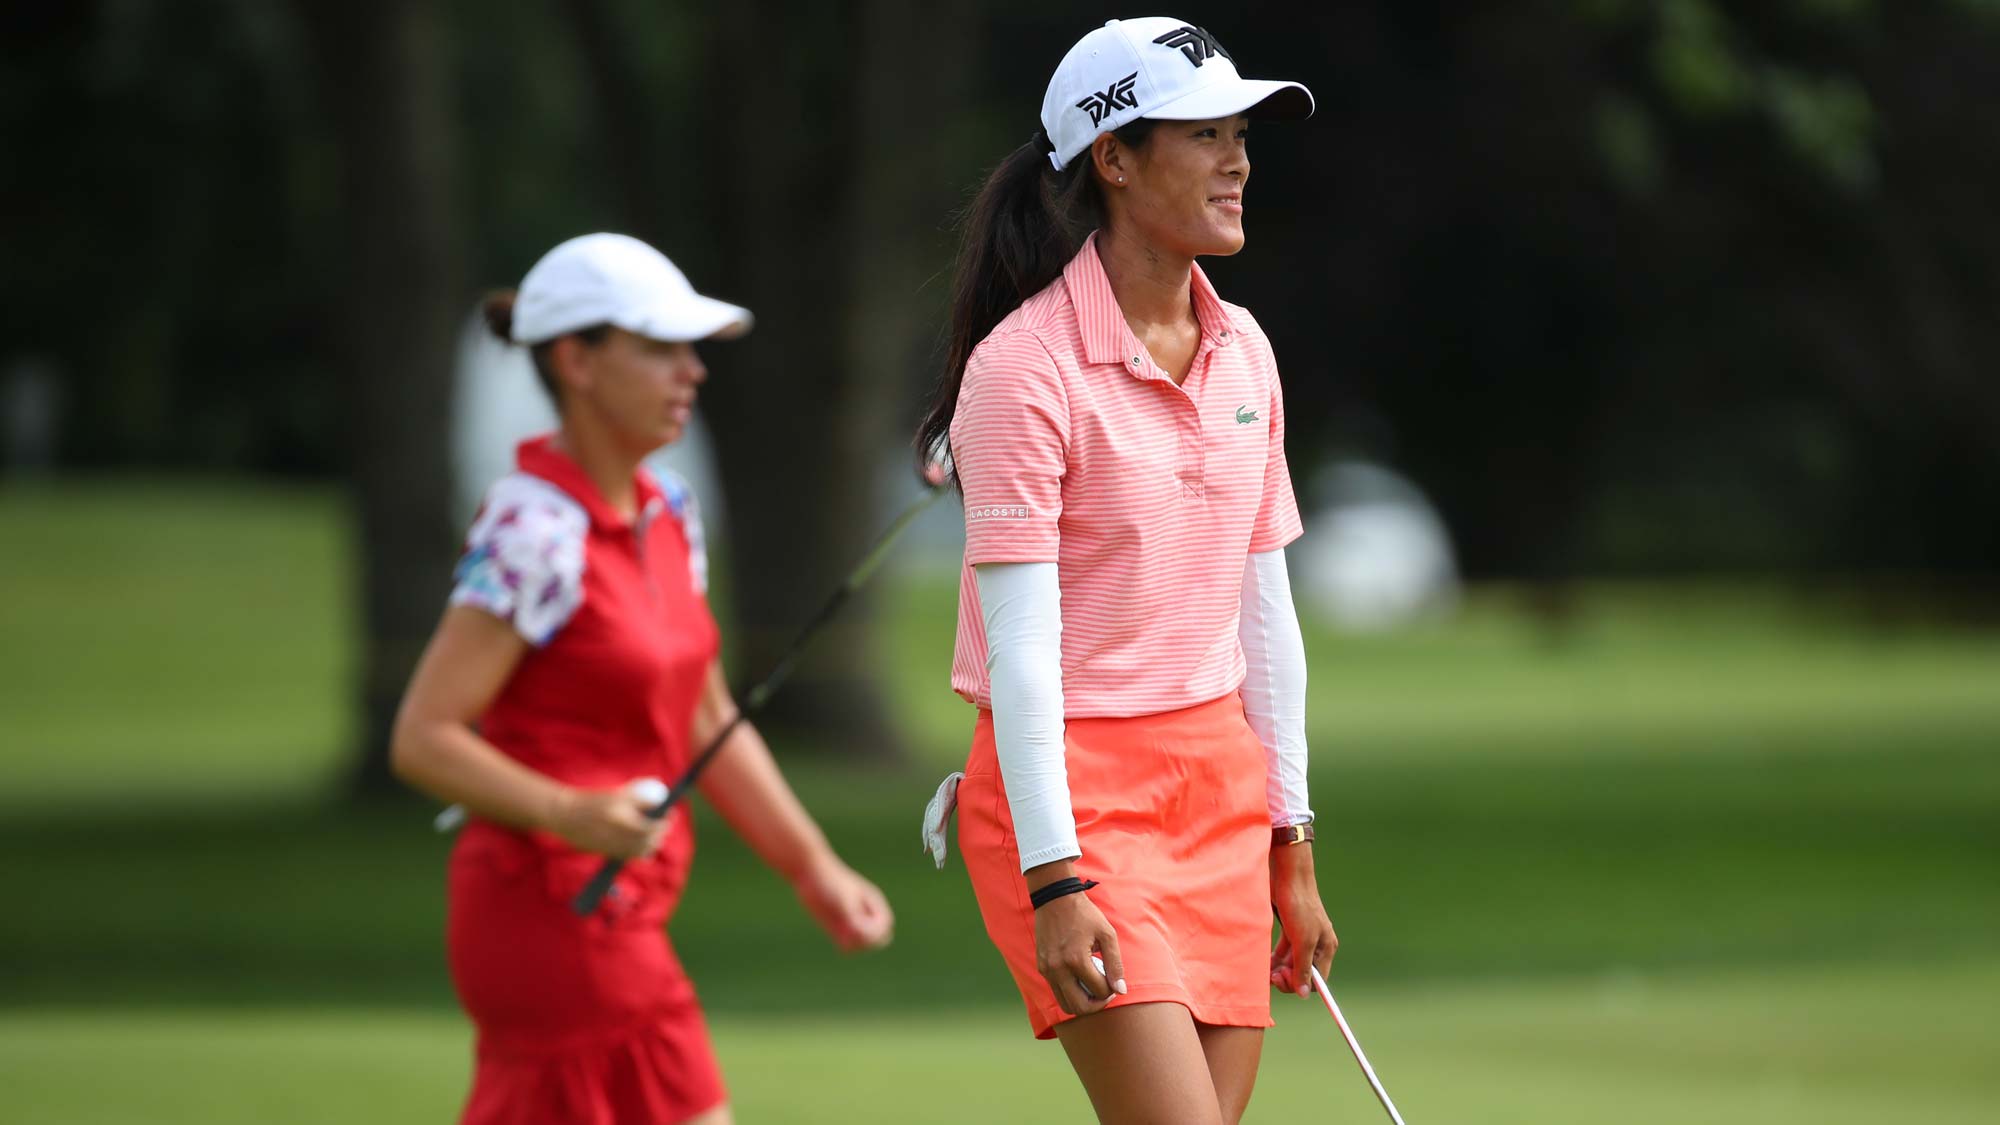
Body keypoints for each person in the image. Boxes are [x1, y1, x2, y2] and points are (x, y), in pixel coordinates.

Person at [914, 18, 1334, 1124]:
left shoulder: (1244, 347)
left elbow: (1266, 619)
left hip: (1218, 796)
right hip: (1076, 800)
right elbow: (1022, 656)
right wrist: (1054, 878)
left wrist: (1290, 840)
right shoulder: (1023, 370)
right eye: (1204, 134)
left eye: (1239, 134)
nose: (1238, 160)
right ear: (1113, 158)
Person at [393, 232, 893, 1125]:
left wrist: (812, 866)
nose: (691, 372)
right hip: (547, 906)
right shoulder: (534, 530)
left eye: (691, 349)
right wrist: (565, 810)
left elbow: (706, 717)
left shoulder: (668, 511)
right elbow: (422, 737)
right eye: (660, 349)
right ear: (575, 360)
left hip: (625, 902)